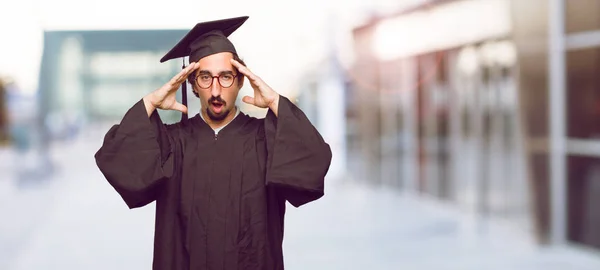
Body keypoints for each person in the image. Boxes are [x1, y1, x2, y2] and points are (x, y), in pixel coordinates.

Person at [94, 16, 332, 270]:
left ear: (241, 80)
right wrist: (150, 103)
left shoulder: (266, 141)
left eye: (226, 77)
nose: (216, 90)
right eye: (205, 78)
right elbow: (115, 158)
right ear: (193, 85)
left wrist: (276, 102)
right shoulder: (172, 144)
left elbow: (314, 162)